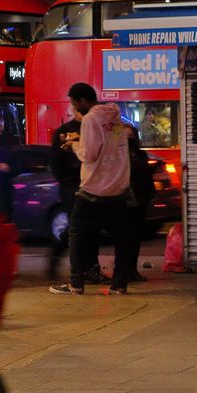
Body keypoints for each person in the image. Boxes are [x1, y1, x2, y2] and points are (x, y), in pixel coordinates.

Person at [49, 83, 140, 295]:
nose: (73, 108)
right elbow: (106, 144)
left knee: (77, 234)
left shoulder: (90, 118)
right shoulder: (114, 115)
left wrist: (72, 145)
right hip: (118, 188)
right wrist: (80, 139)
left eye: (73, 103)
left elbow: (88, 155)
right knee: (122, 239)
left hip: (93, 189)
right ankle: (119, 284)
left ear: (81, 101)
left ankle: (76, 284)